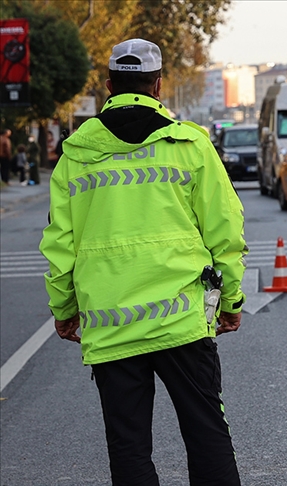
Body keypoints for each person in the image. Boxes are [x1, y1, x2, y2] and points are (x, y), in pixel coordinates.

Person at [40, 38, 247, 485]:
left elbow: (60, 245)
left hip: (112, 325)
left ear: (110, 84)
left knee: (129, 447)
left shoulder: (75, 155)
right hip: (183, 321)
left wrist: (64, 310)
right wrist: (230, 299)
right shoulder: (189, 144)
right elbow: (225, 230)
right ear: (158, 85)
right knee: (207, 432)